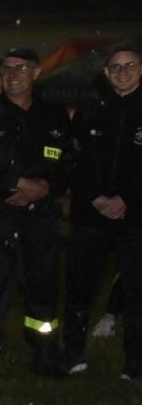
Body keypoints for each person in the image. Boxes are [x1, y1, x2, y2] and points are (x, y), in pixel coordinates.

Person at [0, 47, 71, 378]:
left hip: (40, 218)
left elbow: (67, 161)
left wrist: (45, 185)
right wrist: (15, 183)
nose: (13, 74)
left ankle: (45, 352)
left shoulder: (53, 116)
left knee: (43, 285)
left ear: (36, 73)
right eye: (7, 69)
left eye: (21, 68)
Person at [62, 45, 142, 379]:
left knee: (136, 292)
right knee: (79, 288)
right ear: (106, 73)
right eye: (115, 67)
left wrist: (127, 199)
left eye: (130, 65)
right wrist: (95, 198)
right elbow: (73, 159)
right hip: (89, 215)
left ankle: (134, 364)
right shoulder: (90, 109)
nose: (122, 72)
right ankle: (72, 355)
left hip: (135, 217)